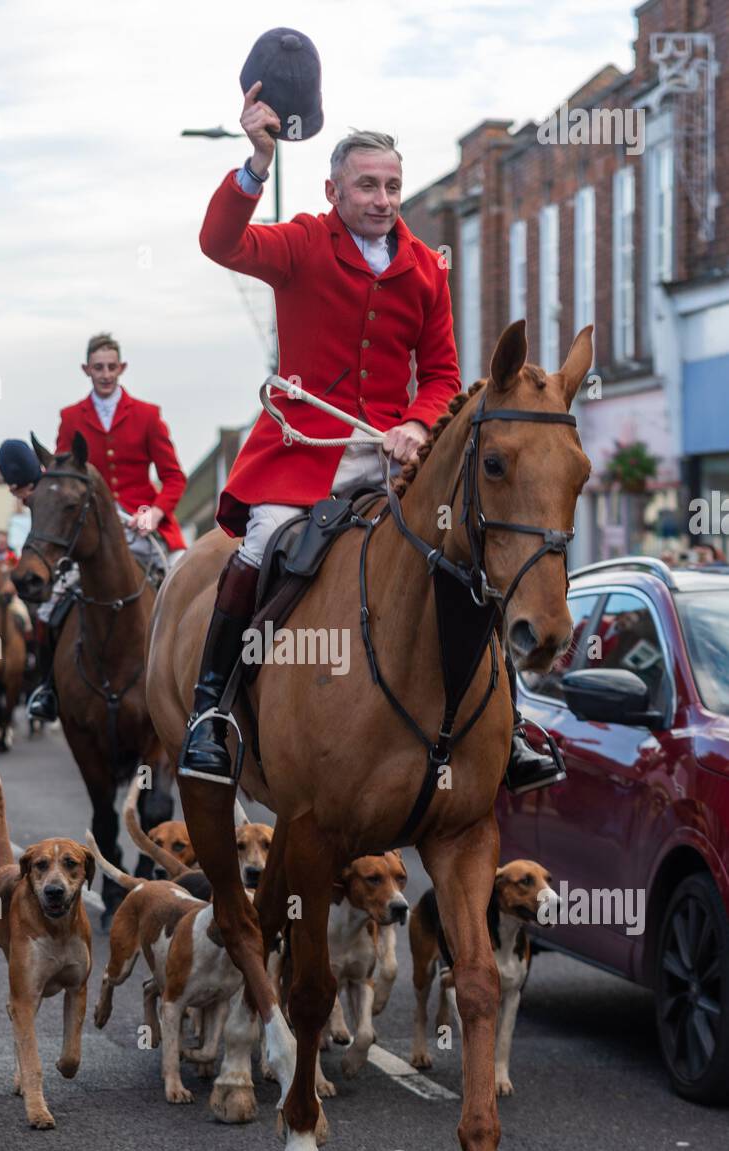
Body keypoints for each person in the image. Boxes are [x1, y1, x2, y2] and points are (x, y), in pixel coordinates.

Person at [178, 84, 564, 796]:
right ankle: (212, 711)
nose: (383, 198)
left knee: (466, 552)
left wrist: (417, 422)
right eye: (366, 185)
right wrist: (256, 163)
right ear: (333, 189)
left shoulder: (425, 266)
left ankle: (507, 727)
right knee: (260, 548)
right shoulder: (298, 241)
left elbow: (442, 369)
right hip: (302, 452)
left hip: (395, 457)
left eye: (391, 185)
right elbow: (220, 242)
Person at [20, 334, 188, 722]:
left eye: (112, 366)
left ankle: (192, 686)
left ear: (122, 368)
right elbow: (61, 478)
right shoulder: (71, 418)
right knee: (49, 605)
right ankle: (48, 688)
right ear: (87, 370)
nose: (106, 374)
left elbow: (174, 478)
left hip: (145, 527)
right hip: (91, 531)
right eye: (99, 367)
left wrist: (154, 514)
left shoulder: (147, 414)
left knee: (191, 592)